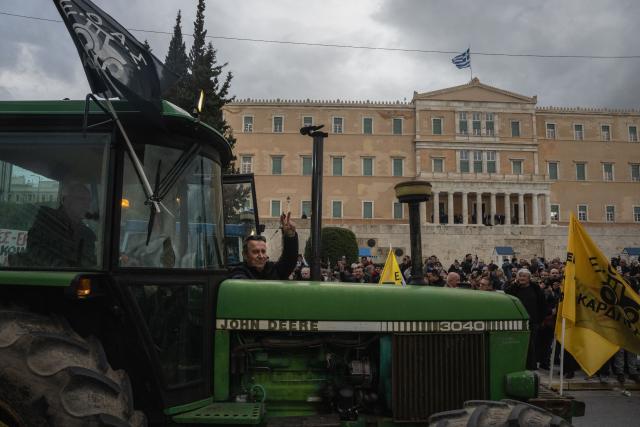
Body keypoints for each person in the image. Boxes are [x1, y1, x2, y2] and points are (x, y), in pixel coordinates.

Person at [23, 182, 97, 268]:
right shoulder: (47, 222)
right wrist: (62, 266)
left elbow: (89, 262)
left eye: (89, 201)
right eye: (81, 199)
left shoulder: (87, 234)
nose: (87, 205)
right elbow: (34, 251)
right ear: (67, 201)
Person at [229, 213, 298, 280]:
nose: (261, 256)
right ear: (245, 255)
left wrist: (290, 236)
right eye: (255, 252)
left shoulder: (273, 270)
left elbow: (289, 261)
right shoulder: (239, 273)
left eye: (263, 251)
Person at [504, 268, 548, 370]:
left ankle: (531, 366)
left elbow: (542, 304)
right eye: (520, 276)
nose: (522, 278)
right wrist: (515, 284)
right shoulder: (515, 288)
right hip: (517, 321)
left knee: (531, 343)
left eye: (524, 276)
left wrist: (540, 320)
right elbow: (507, 294)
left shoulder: (535, 288)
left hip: (532, 321)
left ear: (529, 278)